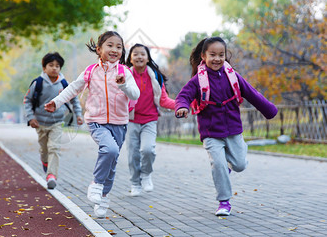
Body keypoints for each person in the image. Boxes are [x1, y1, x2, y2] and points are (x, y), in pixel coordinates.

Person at [175, 37, 278, 216]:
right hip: (210, 132)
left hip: (233, 129)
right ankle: (224, 202)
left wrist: (269, 110)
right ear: (203, 56)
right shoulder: (198, 80)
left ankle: (228, 166)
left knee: (239, 165)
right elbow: (183, 95)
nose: (217, 59)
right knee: (218, 164)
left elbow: (252, 93)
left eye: (221, 55)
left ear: (225, 55)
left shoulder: (233, 76)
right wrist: (182, 106)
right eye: (212, 55)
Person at [45, 31, 140, 218]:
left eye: (119, 47)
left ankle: (104, 196)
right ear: (99, 49)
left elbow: (135, 94)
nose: (115, 50)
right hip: (96, 121)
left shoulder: (125, 72)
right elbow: (73, 88)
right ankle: (96, 184)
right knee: (110, 150)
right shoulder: (90, 71)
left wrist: (123, 85)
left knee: (112, 164)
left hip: (119, 123)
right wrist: (56, 102)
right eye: (110, 45)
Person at [24, 52, 84, 190]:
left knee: (54, 148)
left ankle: (52, 176)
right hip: (40, 123)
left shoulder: (64, 84)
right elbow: (27, 100)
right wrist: (31, 117)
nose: (54, 68)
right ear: (44, 68)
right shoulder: (37, 83)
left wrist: (78, 114)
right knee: (44, 150)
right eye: (51, 65)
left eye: (57, 66)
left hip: (57, 122)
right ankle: (45, 163)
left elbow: (74, 99)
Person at [125, 43, 175, 196]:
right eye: (135, 54)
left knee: (147, 150)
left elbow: (163, 100)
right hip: (131, 120)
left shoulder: (155, 76)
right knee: (133, 154)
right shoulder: (125, 75)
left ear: (147, 58)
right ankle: (135, 184)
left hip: (150, 120)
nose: (139, 56)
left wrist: (181, 105)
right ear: (130, 59)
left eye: (142, 54)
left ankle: (146, 174)